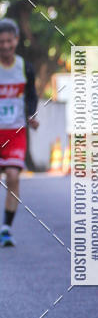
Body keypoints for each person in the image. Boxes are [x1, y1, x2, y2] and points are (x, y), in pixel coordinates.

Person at [0, 18, 39, 247]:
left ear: (16, 41)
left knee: (13, 176)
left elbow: (31, 96)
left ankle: (6, 228)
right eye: (1, 42)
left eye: (9, 41)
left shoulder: (25, 67)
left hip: (15, 132)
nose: (5, 46)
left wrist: (31, 115)